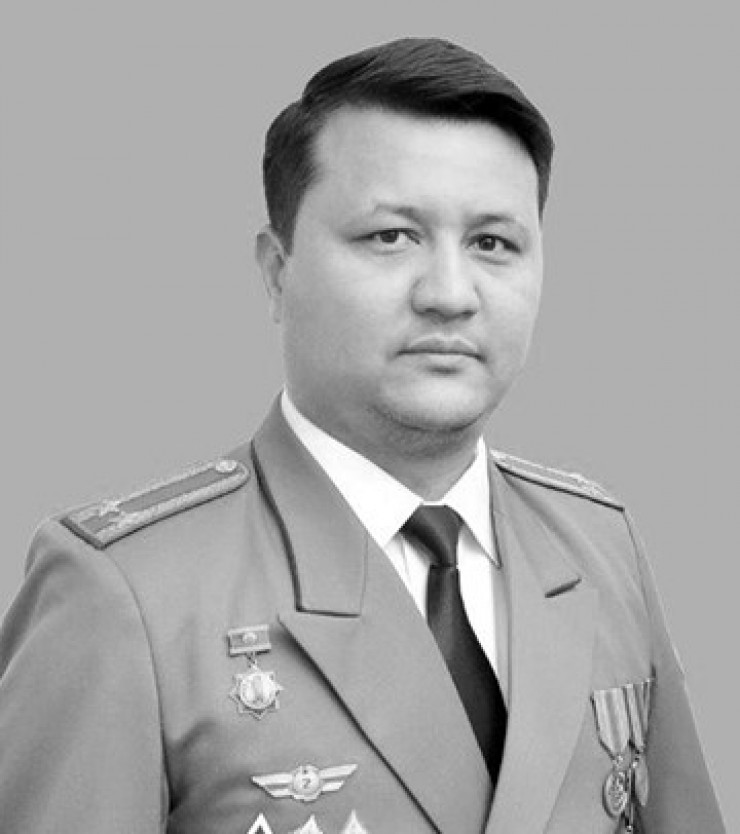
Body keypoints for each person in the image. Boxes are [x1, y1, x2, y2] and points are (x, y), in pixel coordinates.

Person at [0, 37, 724, 834]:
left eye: (493, 243)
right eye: (391, 236)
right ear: (277, 270)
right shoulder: (126, 594)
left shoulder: (599, 544)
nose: (449, 294)